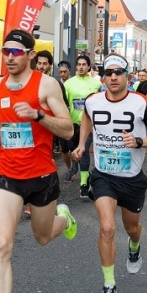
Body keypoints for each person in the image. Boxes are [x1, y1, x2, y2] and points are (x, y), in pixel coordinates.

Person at [0, 29, 78, 293]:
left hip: (41, 177)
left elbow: (68, 127)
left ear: (30, 55)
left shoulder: (46, 85)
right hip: (7, 175)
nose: (9, 56)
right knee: (2, 244)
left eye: (16, 51)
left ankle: (63, 219)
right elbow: (0, 112)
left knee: (42, 236)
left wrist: (38, 115)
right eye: (5, 51)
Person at [74, 55, 147, 293]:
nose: (113, 77)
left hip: (132, 180)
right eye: (108, 72)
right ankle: (109, 285)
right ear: (102, 76)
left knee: (131, 228)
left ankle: (134, 246)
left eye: (118, 72)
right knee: (106, 227)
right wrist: (82, 144)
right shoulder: (93, 100)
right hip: (104, 175)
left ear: (127, 75)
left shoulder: (142, 103)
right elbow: (86, 118)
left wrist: (139, 142)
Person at [65, 54, 103, 199]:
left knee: (85, 151)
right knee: (75, 151)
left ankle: (83, 184)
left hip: (90, 125)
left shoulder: (96, 84)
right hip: (73, 124)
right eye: (79, 64)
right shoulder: (68, 84)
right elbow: (65, 104)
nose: (81, 67)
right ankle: (86, 174)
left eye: (84, 64)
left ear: (88, 67)